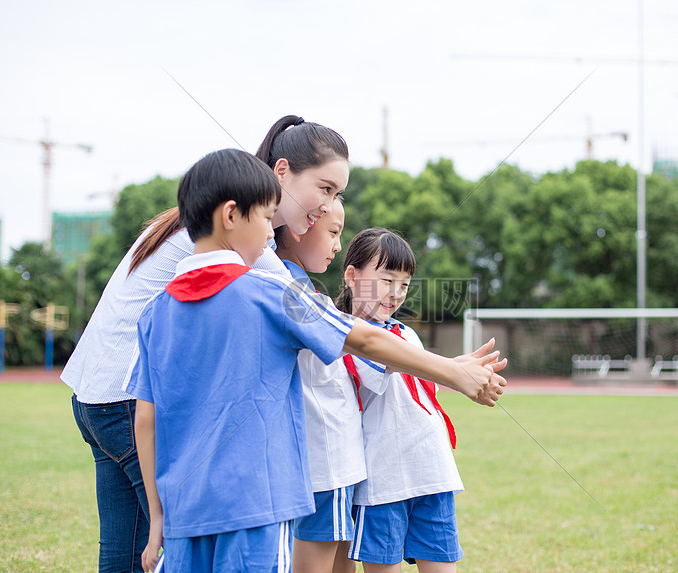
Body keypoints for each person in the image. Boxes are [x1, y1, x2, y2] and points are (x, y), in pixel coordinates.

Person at [128, 149, 506, 572]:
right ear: (231, 216)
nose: (272, 237)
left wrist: (157, 514)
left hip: (183, 512)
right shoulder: (273, 294)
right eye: (266, 220)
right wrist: (455, 373)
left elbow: (146, 418)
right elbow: (364, 338)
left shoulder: (153, 312)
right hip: (258, 511)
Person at [61, 114, 352, 572]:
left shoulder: (196, 219)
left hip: (92, 398)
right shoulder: (246, 242)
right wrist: (444, 368)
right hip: (129, 401)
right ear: (281, 174)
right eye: (325, 188)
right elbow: (322, 320)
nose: (327, 205)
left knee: (123, 556)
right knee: (176, 552)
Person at [338, 228, 492, 572]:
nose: (396, 294)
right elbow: (390, 363)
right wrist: (457, 369)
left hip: (432, 472)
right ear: (352, 276)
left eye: (404, 284)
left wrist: (467, 370)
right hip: (382, 483)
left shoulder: (405, 333)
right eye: (386, 280)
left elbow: (422, 377)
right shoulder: (346, 335)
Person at [275, 200, 359, 573]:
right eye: (334, 232)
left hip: (308, 463)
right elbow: (370, 346)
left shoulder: (282, 283)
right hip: (327, 464)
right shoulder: (296, 293)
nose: (338, 245)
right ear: (300, 225)